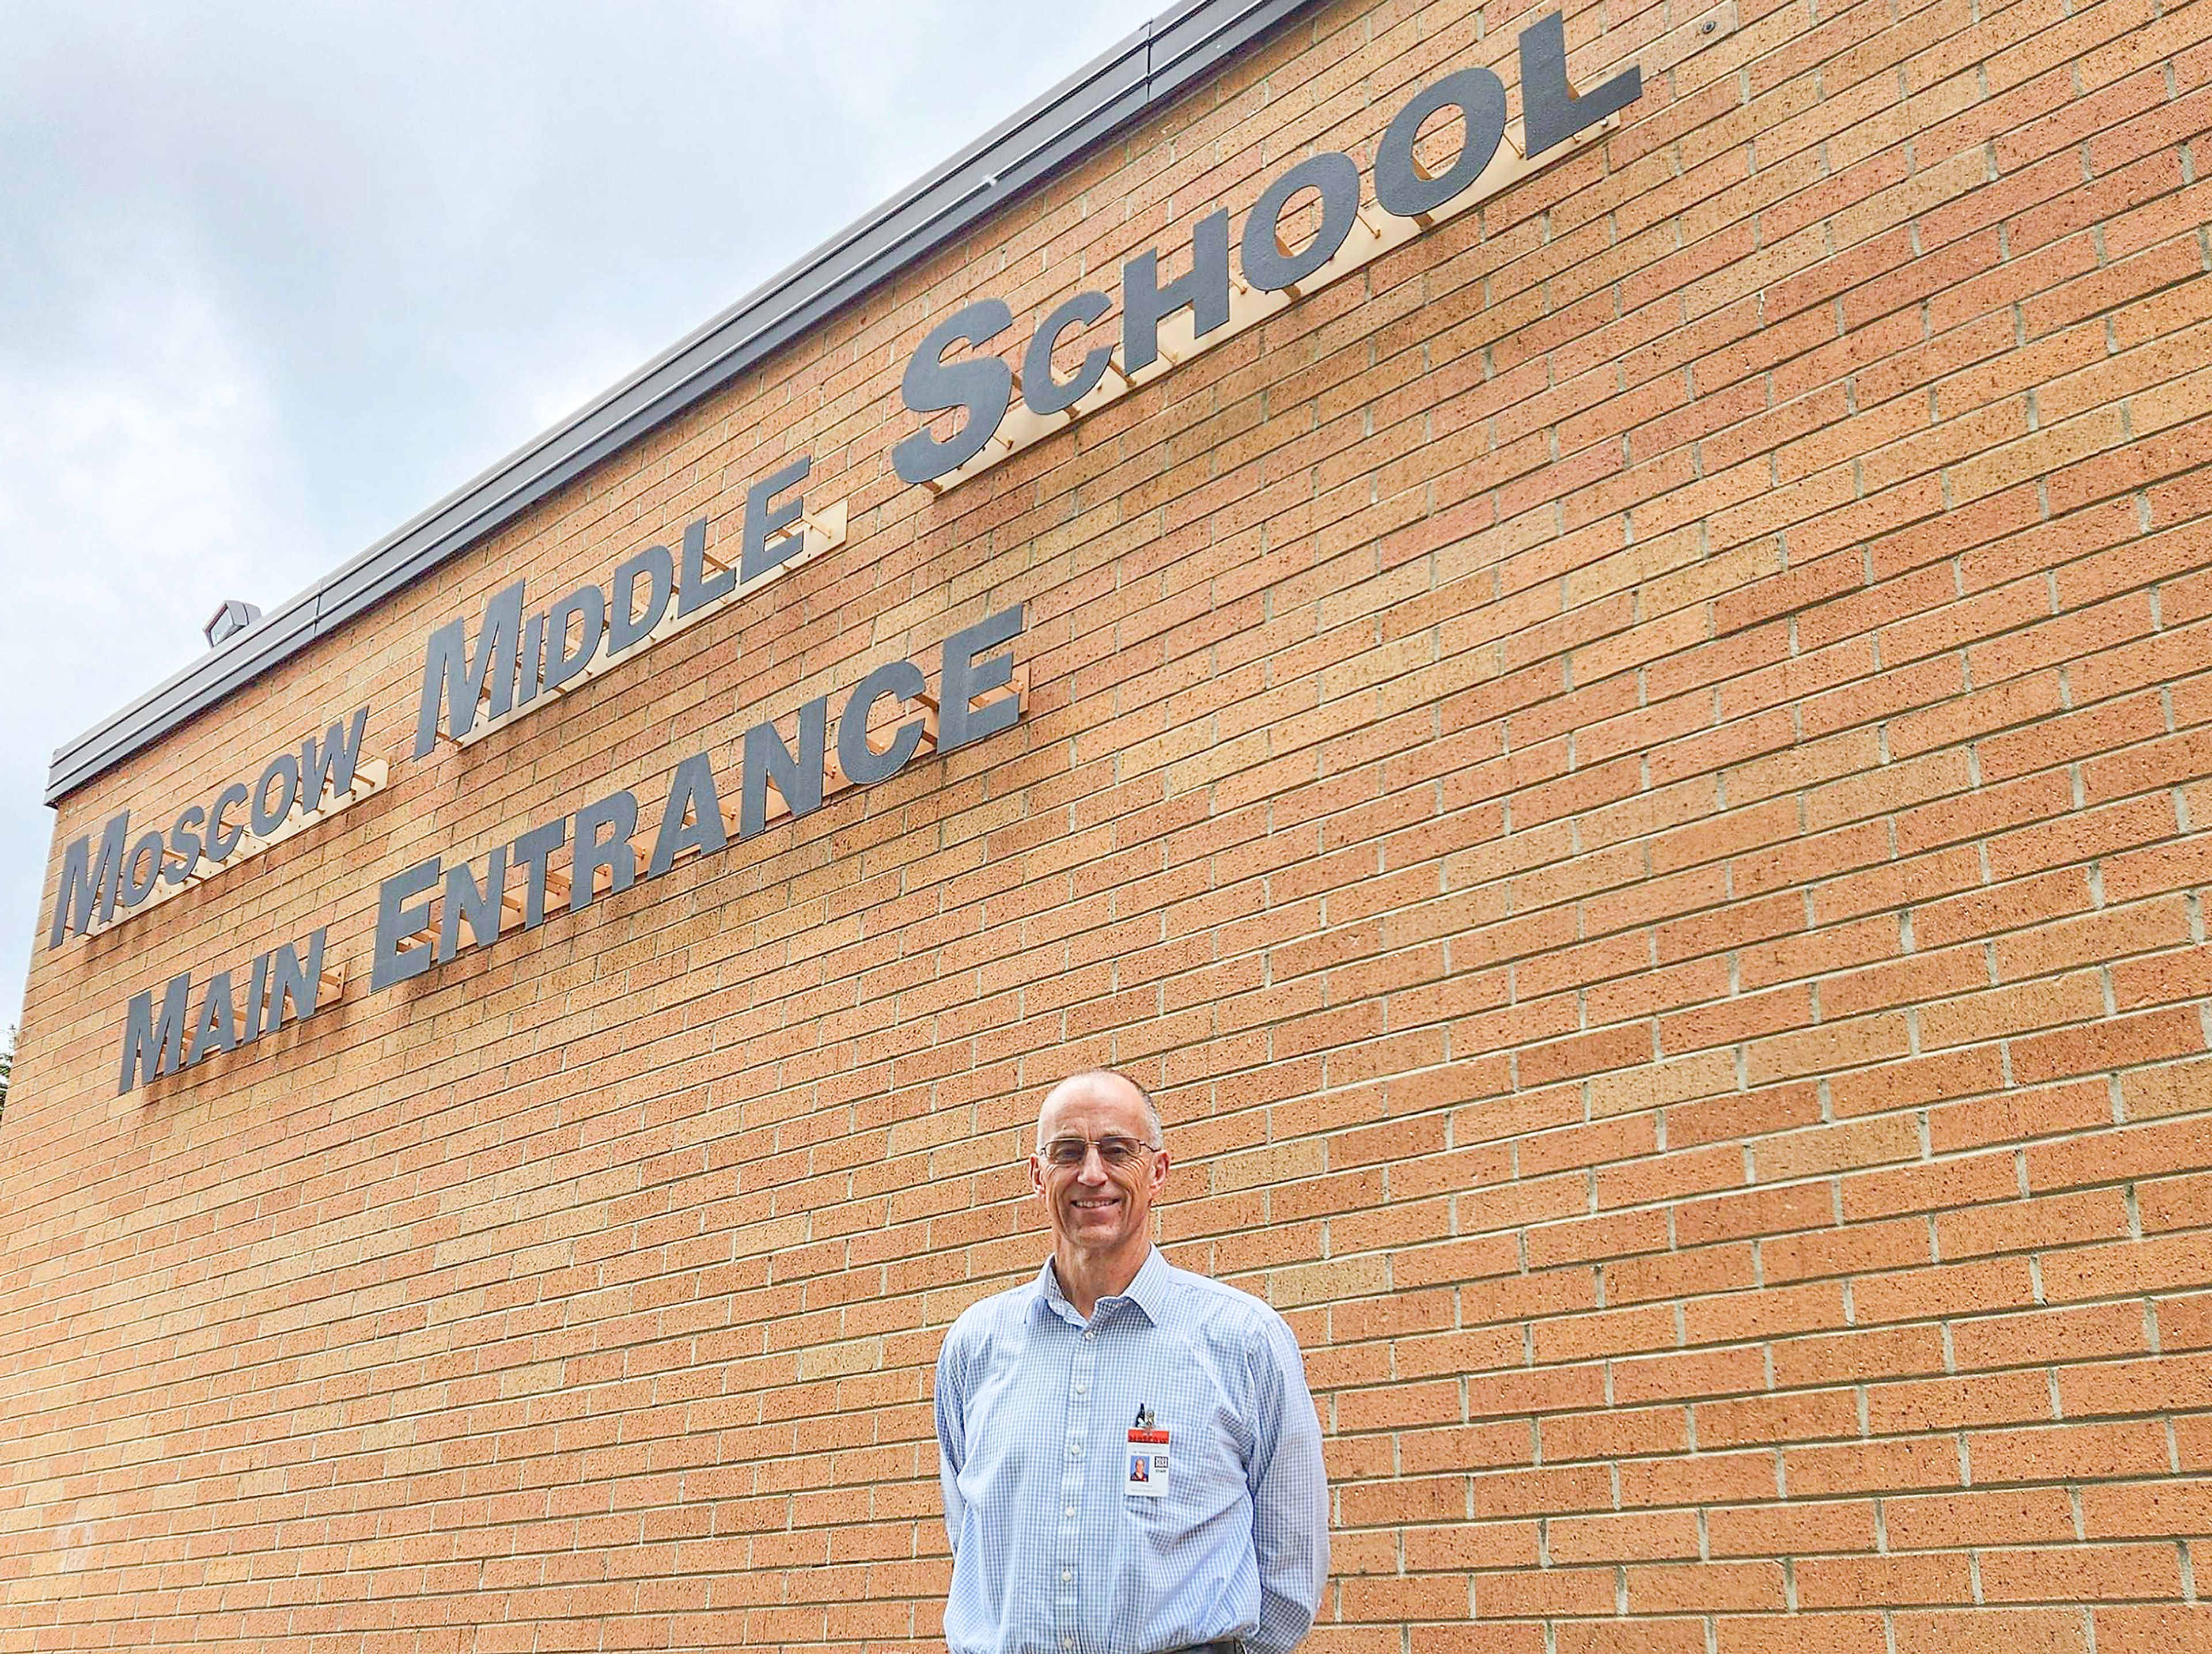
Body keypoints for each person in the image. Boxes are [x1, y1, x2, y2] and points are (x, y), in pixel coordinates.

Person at [933, 1069, 1330, 1654]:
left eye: (1117, 1150)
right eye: (1069, 1152)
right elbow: (970, 1536)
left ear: (1159, 1172)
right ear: (1038, 1177)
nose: (1092, 1174)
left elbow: (1292, 1556)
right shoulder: (976, 1346)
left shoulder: (1244, 1340)